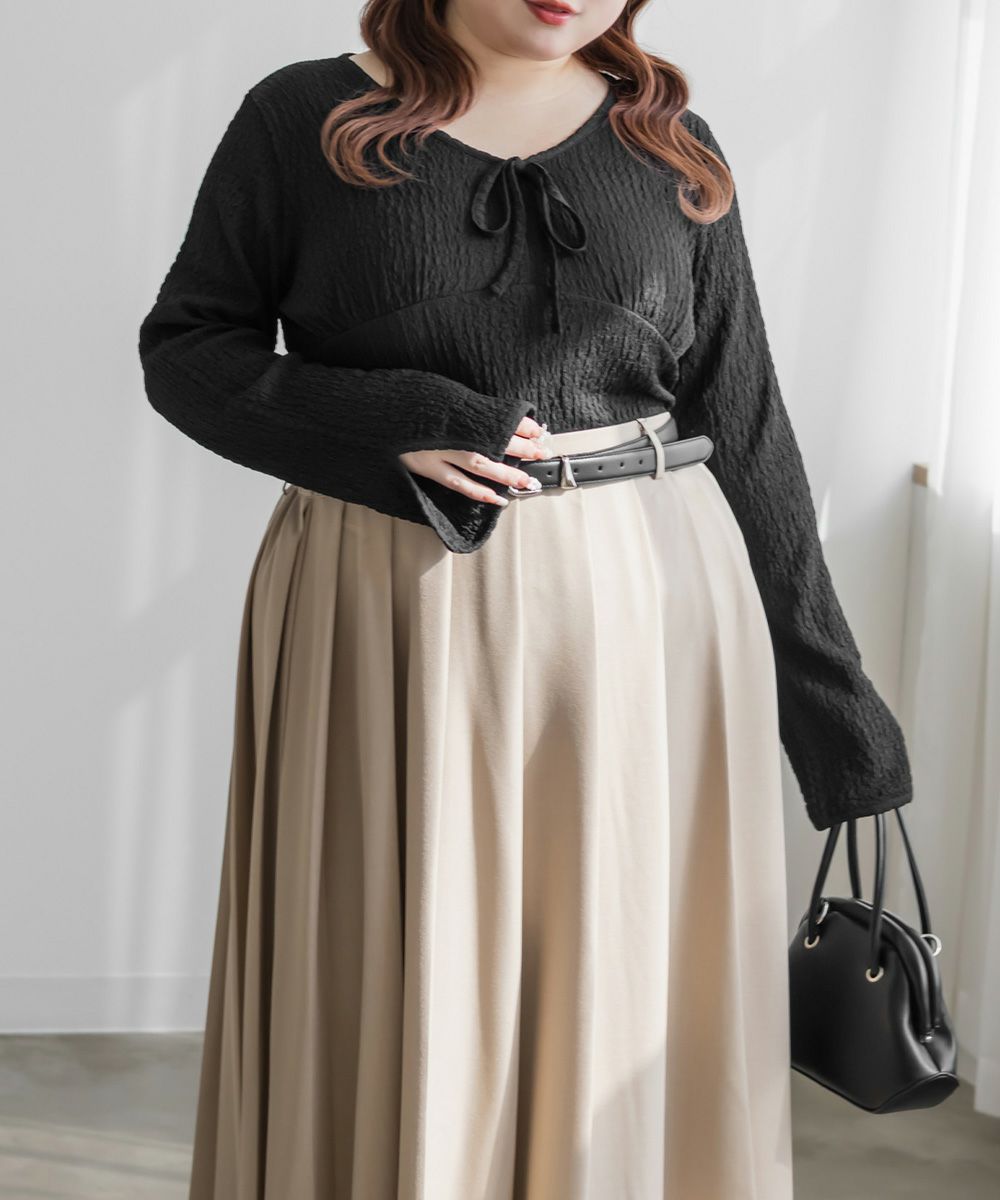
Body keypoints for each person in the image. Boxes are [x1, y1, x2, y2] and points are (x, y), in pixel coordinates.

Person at [137, 1, 914, 1196]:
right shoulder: (305, 117)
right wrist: (391, 420)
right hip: (386, 602)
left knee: (626, 966)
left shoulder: (669, 142)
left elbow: (745, 420)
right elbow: (189, 350)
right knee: (403, 962)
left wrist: (839, 718)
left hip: (652, 604)